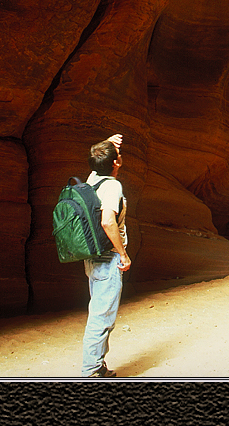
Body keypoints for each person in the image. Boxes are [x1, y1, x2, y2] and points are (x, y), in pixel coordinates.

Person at [81, 133, 131, 377]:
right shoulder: (111, 185)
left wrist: (106, 143)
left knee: (99, 310)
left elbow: (97, 160)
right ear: (115, 163)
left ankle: (97, 365)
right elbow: (108, 222)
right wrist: (123, 254)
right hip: (107, 257)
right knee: (102, 316)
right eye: (118, 156)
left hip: (92, 257)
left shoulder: (92, 181)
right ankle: (91, 371)